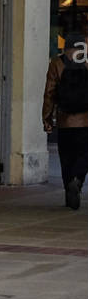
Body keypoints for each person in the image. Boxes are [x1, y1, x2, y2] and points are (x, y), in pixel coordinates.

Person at [43, 32, 86, 209]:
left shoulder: (57, 63)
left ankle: (69, 192)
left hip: (65, 119)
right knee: (84, 155)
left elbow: (49, 93)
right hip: (86, 120)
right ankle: (78, 180)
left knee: (66, 157)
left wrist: (46, 118)